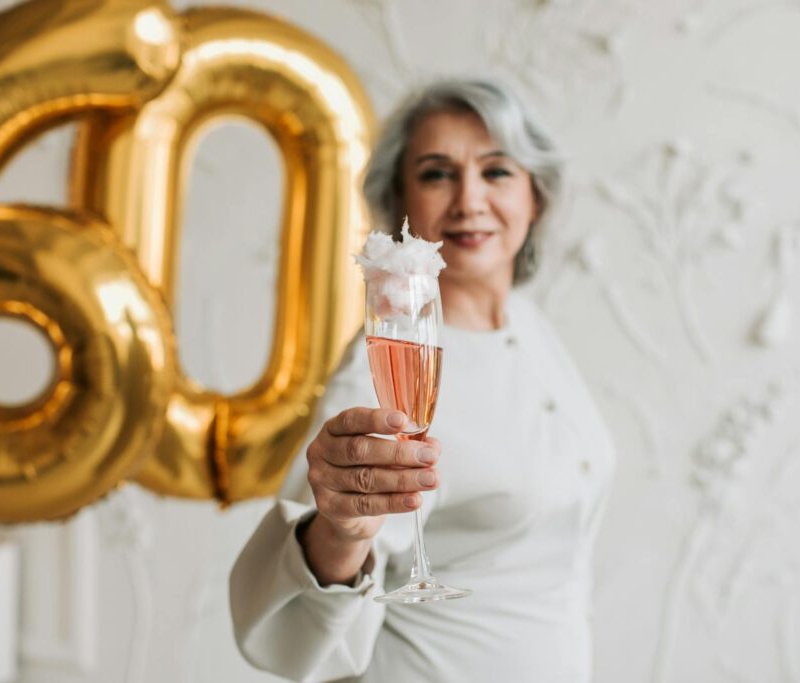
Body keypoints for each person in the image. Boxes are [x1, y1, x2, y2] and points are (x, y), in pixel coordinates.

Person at [229, 78, 616, 682]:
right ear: (400, 205)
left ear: (535, 196)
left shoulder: (530, 326)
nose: (469, 200)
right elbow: (300, 619)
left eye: (496, 171)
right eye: (437, 174)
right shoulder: (388, 367)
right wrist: (340, 534)